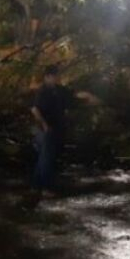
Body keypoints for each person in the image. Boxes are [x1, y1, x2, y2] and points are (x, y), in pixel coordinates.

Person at [30, 65, 99, 197]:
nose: (57, 78)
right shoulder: (42, 91)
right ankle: (45, 188)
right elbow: (35, 109)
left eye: (57, 76)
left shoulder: (59, 90)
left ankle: (36, 186)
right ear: (47, 77)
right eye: (54, 76)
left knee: (44, 158)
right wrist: (44, 125)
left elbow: (73, 95)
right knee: (47, 158)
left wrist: (87, 96)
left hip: (56, 127)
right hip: (44, 129)